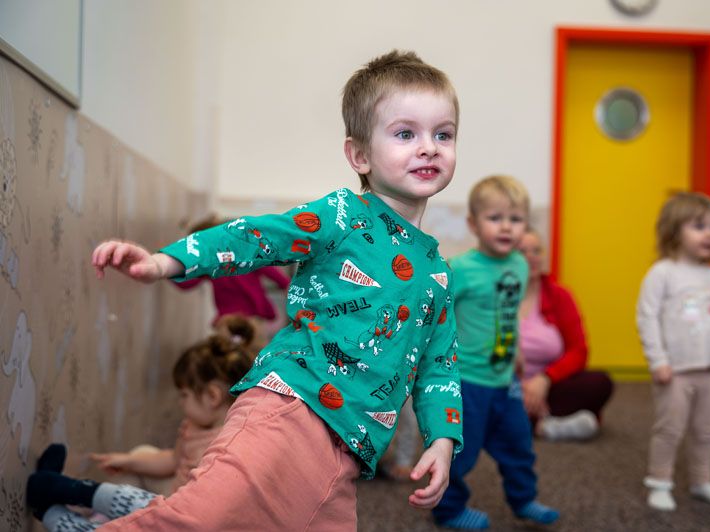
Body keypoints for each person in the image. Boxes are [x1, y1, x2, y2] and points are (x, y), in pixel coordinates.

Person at [86, 50, 463, 531]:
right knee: (194, 521)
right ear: (360, 155)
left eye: (443, 134)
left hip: (348, 454)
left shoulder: (437, 273)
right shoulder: (344, 215)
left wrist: (442, 440)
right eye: (406, 133)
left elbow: (440, 364)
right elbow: (258, 236)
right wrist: (165, 261)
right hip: (288, 409)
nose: (429, 147)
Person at [26, 315, 258, 530]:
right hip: (173, 495)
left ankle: (58, 513)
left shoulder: (226, 449)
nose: (180, 403)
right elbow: (173, 460)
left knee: (130, 505)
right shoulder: (194, 424)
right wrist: (128, 461)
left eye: (184, 395)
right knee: (141, 455)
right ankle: (78, 501)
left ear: (212, 396)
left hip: (179, 518)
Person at [432, 175, 559, 529]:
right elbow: (436, 317)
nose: (506, 227)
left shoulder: (519, 265)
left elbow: (509, 312)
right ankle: (448, 509)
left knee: (519, 445)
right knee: (460, 452)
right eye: (495, 218)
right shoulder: (460, 269)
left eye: (515, 219)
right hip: (467, 381)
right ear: (473, 224)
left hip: (506, 379)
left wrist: (516, 351)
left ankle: (524, 499)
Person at [636, 191, 710, 512]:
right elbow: (646, 317)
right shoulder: (662, 273)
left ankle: (701, 481)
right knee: (669, 429)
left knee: (706, 430)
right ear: (674, 231)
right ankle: (659, 482)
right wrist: (658, 360)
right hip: (675, 372)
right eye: (699, 226)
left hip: (708, 370)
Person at [516, 229, 613, 441]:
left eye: (537, 251)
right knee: (472, 393)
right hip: (506, 386)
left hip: (551, 385)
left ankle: (528, 420)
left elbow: (579, 351)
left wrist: (544, 379)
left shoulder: (560, 295)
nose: (531, 257)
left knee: (600, 382)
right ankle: (543, 425)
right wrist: (520, 387)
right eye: (523, 251)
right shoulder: (493, 296)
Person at [173, 213, 291, 348]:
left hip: (229, 320)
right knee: (254, 355)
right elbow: (281, 280)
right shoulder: (247, 253)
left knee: (227, 353)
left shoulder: (210, 262)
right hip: (250, 318)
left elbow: (185, 284)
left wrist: (169, 267)